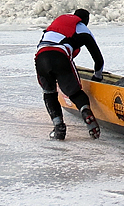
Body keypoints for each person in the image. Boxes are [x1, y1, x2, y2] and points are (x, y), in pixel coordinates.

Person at [34, 9, 104, 141]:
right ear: (86, 21)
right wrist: (97, 77)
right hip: (60, 55)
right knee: (75, 92)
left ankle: (59, 128)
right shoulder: (84, 30)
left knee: (49, 93)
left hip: (41, 55)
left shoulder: (59, 21)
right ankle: (85, 111)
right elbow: (98, 59)